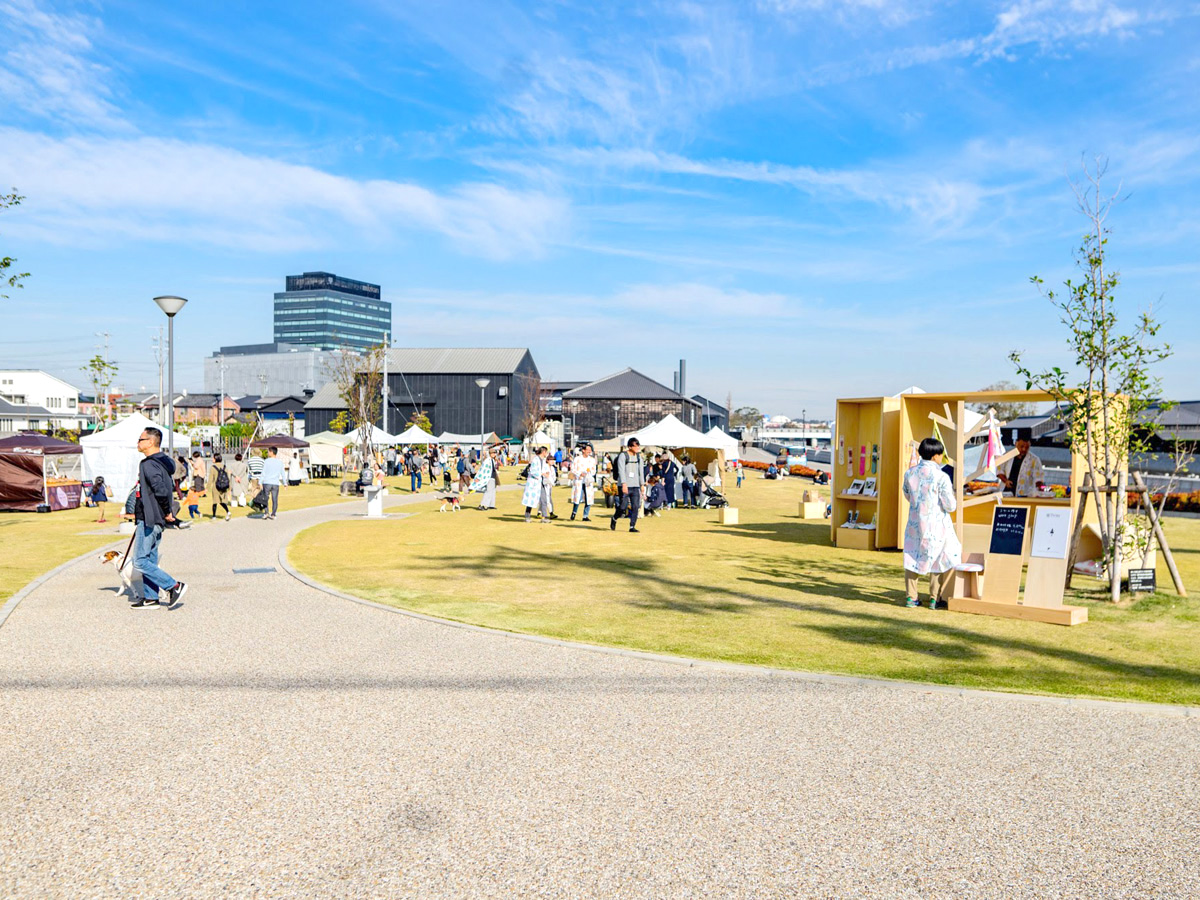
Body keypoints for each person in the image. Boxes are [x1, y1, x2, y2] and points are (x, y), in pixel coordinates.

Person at [902, 436, 962, 609]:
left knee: (912, 556)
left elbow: (907, 495)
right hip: (936, 523)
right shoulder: (941, 476)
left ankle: (911, 597)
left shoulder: (909, 473)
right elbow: (950, 506)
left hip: (915, 521)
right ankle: (935, 598)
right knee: (938, 557)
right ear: (936, 455)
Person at [131, 426, 188, 609]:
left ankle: (174, 586)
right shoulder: (163, 463)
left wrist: (166, 511)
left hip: (151, 518)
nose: (138, 443)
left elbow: (161, 490)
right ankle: (150, 598)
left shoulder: (149, 464)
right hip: (155, 517)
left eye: (141, 439)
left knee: (139, 560)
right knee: (149, 559)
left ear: (151, 442)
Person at [611, 438, 644, 533]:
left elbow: (640, 471)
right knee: (623, 507)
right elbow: (621, 470)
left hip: (635, 485)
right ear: (630, 446)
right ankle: (614, 518)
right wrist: (623, 484)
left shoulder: (639, 457)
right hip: (624, 485)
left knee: (635, 506)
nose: (637, 447)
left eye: (638, 445)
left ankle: (632, 526)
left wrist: (642, 484)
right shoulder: (623, 456)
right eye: (635, 446)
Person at [522, 445, 550, 523]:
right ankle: (527, 516)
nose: (546, 454)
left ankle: (544, 517)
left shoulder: (543, 461)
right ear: (543, 452)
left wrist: (547, 473)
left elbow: (545, 469)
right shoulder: (535, 460)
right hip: (534, 483)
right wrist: (542, 473)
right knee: (531, 499)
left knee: (544, 499)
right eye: (546, 452)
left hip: (541, 482)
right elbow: (533, 471)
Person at [570, 442, 596, 521]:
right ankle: (574, 512)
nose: (589, 451)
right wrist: (579, 474)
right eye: (587, 450)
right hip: (579, 480)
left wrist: (589, 473)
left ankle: (585, 515)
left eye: (590, 450)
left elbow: (594, 470)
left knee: (588, 499)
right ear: (583, 450)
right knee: (578, 497)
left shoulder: (592, 460)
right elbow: (573, 469)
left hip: (588, 481)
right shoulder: (577, 459)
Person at [259, 446, 285, 519]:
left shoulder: (266, 461)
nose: (268, 453)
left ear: (271, 452)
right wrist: (285, 483)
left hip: (267, 482)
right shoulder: (280, 462)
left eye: (268, 451)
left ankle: (266, 512)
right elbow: (282, 473)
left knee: (265, 498)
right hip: (275, 483)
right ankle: (273, 514)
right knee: (275, 499)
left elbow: (263, 472)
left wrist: (260, 482)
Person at [207, 452, 233, 520]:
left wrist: (207, 488)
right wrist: (229, 487)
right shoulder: (224, 466)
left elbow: (210, 479)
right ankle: (228, 511)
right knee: (222, 501)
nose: (212, 459)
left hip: (216, 486)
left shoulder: (213, 467)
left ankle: (214, 516)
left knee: (215, 501)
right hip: (224, 486)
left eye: (213, 458)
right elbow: (227, 477)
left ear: (215, 459)